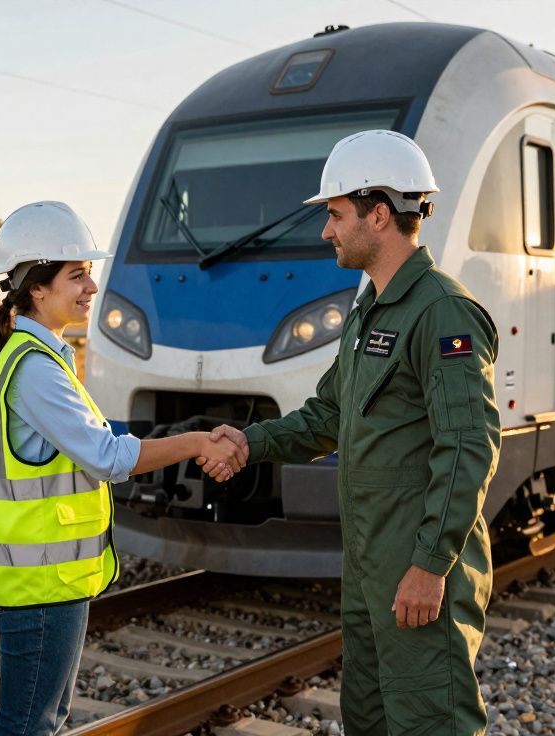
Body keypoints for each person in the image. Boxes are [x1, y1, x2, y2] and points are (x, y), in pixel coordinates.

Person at [207, 131, 500, 735]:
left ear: (380, 214)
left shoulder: (442, 311)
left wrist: (430, 565)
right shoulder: (370, 310)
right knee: (368, 718)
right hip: (369, 565)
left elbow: (468, 446)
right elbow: (328, 416)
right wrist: (249, 443)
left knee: (430, 721)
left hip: (418, 563)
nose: (326, 231)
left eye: (336, 215)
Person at [0, 200, 245, 736]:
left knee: (39, 719)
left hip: (46, 580)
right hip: (42, 584)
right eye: (77, 275)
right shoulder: (35, 369)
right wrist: (196, 442)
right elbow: (108, 457)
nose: (92, 287)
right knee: (30, 725)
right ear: (37, 287)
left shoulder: (36, 358)